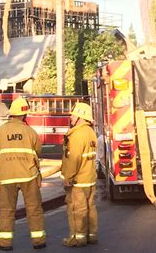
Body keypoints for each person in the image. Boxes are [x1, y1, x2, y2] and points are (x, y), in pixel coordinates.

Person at [0, 97, 46, 251]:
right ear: (24, 115)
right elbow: (38, 150)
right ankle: (39, 241)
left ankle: (5, 243)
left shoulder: (1, 130)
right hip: (28, 176)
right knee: (34, 209)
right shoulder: (29, 131)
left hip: (7, 176)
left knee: (6, 211)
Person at [61, 102, 98, 247]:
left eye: (73, 114)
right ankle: (92, 235)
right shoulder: (90, 132)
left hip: (79, 180)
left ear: (80, 117)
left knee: (78, 209)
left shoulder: (77, 135)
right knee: (90, 208)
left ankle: (78, 238)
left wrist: (68, 178)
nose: (71, 117)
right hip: (89, 178)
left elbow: (74, 159)